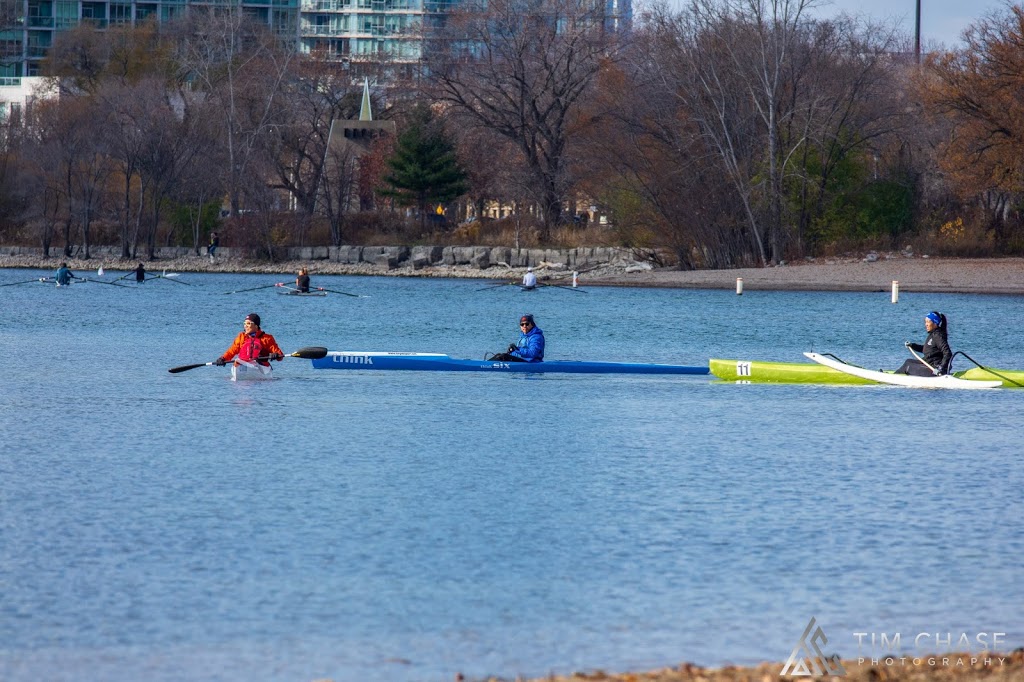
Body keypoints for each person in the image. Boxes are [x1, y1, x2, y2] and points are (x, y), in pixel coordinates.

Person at [214, 313, 284, 368]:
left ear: (256, 326)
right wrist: (222, 358)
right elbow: (231, 351)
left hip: (260, 366)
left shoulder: (267, 338)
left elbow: (280, 356)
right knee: (237, 362)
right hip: (242, 364)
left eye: (248, 323)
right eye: (244, 323)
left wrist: (276, 355)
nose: (245, 326)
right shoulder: (241, 337)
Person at [896, 311, 952, 376]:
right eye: (925, 322)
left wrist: (941, 368)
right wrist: (912, 345)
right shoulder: (933, 334)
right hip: (928, 363)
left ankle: (892, 377)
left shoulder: (938, 336)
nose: (926, 324)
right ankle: (895, 375)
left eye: (928, 322)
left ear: (935, 323)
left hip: (934, 369)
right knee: (908, 361)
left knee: (907, 366)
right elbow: (928, 349)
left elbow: (948, 353)